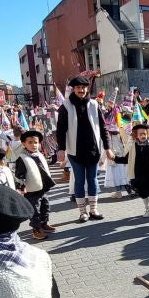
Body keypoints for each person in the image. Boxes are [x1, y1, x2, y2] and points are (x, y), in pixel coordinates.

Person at [55, 75, 113, 223]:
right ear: (73, 89)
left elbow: (103, 127)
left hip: (93, 150)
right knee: (79, 181)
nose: (81, 90)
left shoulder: (94, 104)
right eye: (78, 88)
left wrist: (107, 148)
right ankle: (82, 212)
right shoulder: (66, 106)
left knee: (93, 180)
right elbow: (60, 129)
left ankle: (93, 210)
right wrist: (61, 149)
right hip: (75, 151)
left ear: (87, 89)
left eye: (83, 87)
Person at [113, 123, 149, 217]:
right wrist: (115, 158)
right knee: (142, 193)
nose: (143, 136)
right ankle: (148, 209)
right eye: (140, 134)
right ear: (136, 135)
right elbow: (126, 159)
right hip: (138, 174)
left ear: (148, 134)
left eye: (144, 134)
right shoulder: (133, 147)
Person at [14, 130, 55, 240]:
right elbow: (20, 174)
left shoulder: (39, 155)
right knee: (34, 210)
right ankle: (36, 229)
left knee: (45, 206)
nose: (34, 145)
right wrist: (21, 187)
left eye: (36, 142)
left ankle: (44, 223)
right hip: (31, 189)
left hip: (42, 187)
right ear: (24, 144)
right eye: (30, 142)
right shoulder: (22, 158)